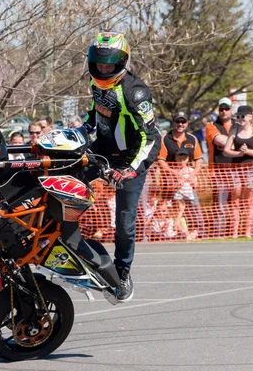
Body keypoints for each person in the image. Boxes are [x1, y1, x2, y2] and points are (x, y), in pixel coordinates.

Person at [82, 32, 161, 302]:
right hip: (102, 152)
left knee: (124, 222)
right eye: (99, 64)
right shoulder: (96, 85)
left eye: (109, 65)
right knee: (63, 176)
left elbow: (152, 139)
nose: (103, 70)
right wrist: (81, 131)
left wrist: (130, 169)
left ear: (122, 62)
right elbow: (94, 113)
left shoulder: (136, 93)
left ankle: (123, 271)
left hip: (130, 161)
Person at [158, 111, 205, 236]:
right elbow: (161, 160)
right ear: (173, 123)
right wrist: (173, 173)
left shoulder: (192, 139)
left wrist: (193, 174)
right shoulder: (165, 139)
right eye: (178, 121)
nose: (180, 124)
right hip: (170, 183)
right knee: (171, 209)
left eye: (183, 121)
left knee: (193, 207)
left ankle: (197, 231)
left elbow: (199, 159)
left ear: (187, 123)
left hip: (188, 181)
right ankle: (171, 232)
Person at [223, 105, 253, 238]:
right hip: (236, 169)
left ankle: (247, 232)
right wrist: (239, 154)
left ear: (250, 116)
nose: (240, 119)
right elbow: (226, 150)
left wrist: (247, 152)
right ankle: (234, 232)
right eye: (238, 116)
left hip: (251, 169)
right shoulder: (234, 129)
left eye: (242, 116)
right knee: (235, 199)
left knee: (249, 201)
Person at [205, 97, 236, 237]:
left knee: (235, 205)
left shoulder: (238, 125)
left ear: (231, 109)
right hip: (218, 172)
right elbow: (219, 140)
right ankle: (219, 234)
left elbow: (225, 142)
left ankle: (234, 233)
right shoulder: (212, 126)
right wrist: (240, 143)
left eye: (227, 108)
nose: (224, 111)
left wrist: (228, 143)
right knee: (220, 206)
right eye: (221, 109)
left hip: (237, 171)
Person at [170, 148, 198, 240]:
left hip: (189, 197)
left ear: (187, 159)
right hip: (178, 197)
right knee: (179, 214)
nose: (181, 161)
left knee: (189, 215)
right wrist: (178, 183)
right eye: (179, 159)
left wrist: (192, 182)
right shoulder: (174, 171)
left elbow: (196, 185)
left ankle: (190, 232)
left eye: (184, 159)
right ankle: (182, 231)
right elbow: (172, 185)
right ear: (176, 159)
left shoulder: (191, 170)